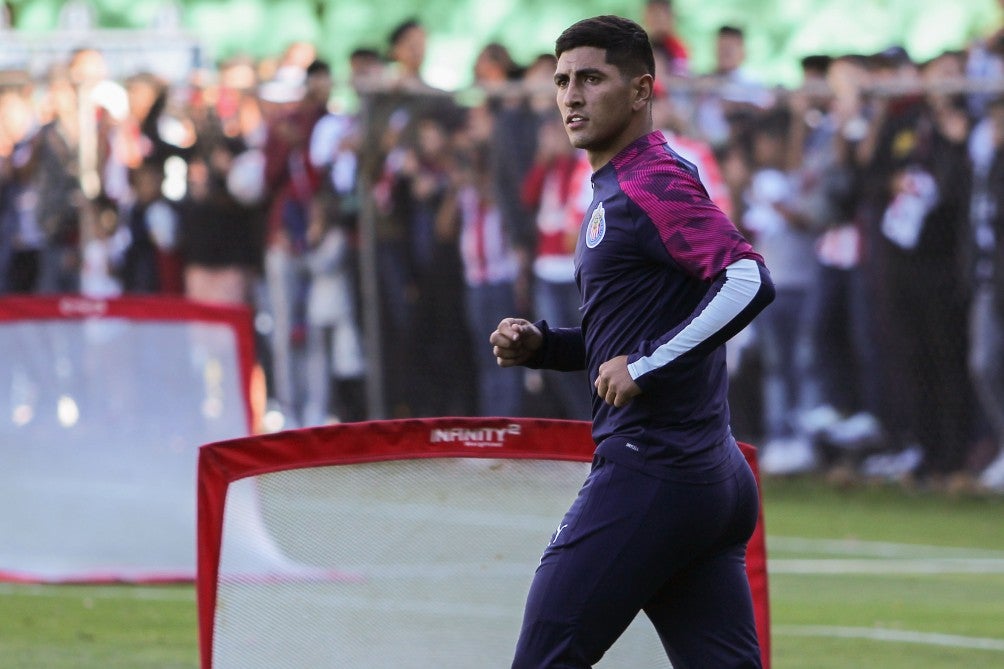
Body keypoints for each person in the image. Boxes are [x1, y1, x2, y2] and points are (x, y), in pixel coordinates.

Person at [489, 15, 774, 668]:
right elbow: (624, 334)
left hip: (655, 468)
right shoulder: (620, 183)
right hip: (705, 475)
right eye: (562, 80)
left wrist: (647, 364)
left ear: (642, 91)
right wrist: (546, 345)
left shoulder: (653, 182)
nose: (571, 95)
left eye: (592, 78)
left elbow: (748, 277)